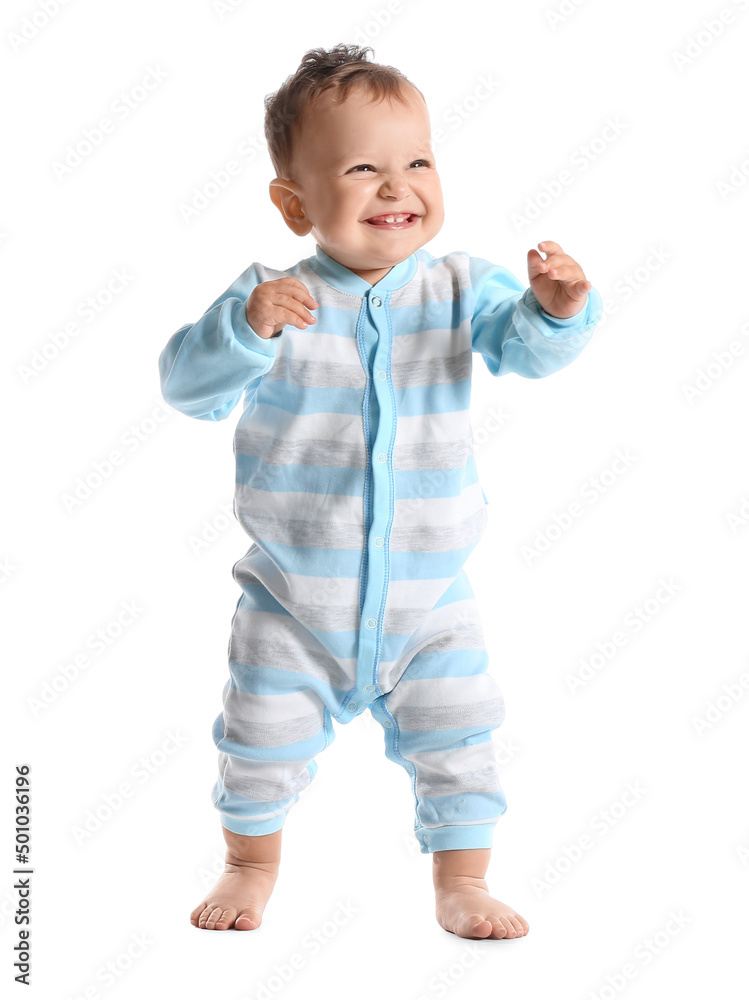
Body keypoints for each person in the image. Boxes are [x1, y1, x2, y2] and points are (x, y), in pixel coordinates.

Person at [158, 43, 602, 940]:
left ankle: (462, 880)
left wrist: (556, 309)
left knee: (460, 735)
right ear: (294, 204)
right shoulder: (274, 299)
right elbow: (187, 390)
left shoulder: (460, 286)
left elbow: (524, 351)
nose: (397, 186)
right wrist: (242, 332)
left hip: (429, 598)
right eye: (362, 167)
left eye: (418, 162)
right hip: (293, 596)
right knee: (257, 738)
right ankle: (250, 863)